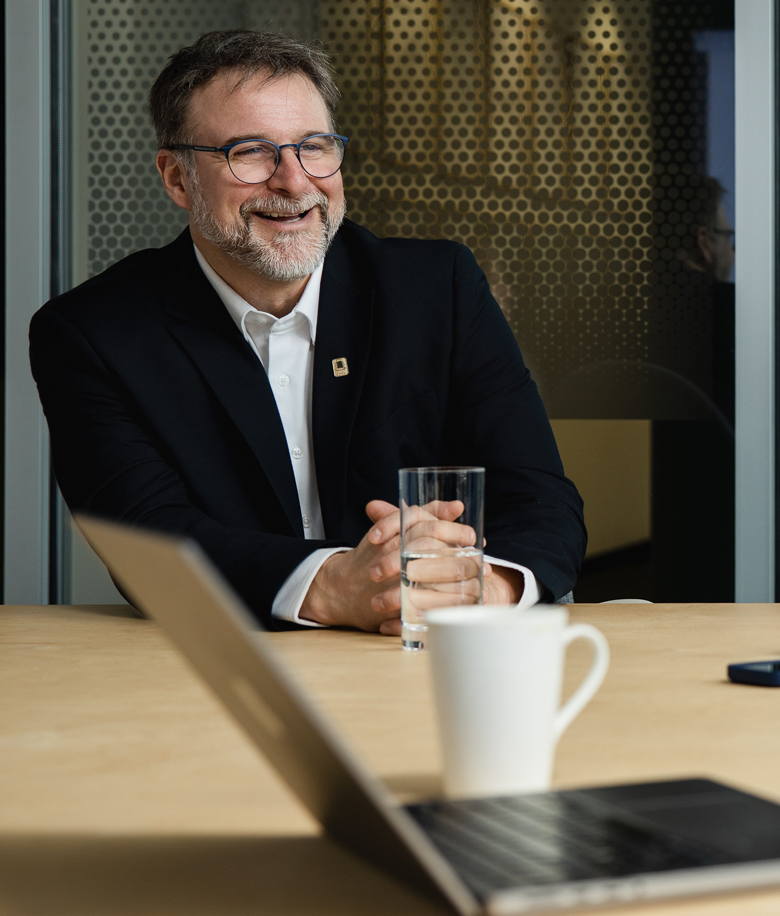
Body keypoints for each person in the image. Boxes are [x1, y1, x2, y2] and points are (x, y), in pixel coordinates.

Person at [30, 31, 585, 630]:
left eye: (314, 147)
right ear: (177, 179)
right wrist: (331, 587)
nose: (295, 182)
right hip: (228, 672)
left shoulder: (436, 288)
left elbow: (538, 496)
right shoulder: (93, 333)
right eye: (250, 151)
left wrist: (486, 588)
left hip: (434, 653)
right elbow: (148, 538)